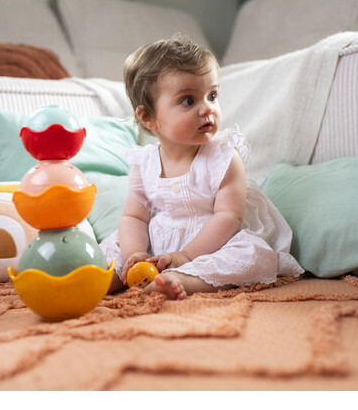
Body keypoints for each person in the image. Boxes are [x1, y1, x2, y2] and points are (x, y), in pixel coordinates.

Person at [100, 34, 303, 300]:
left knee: (252, 255)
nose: (207, 108)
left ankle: (185, 279)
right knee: (115, 243)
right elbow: (134, 217)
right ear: (148, 117)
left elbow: (228, 217)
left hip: (215, 240)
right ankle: (107, 278)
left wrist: (186, 256)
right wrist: (135, 253)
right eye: (188, 100)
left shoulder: (223, 156)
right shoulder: (144, 163)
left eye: (212, 95)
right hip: (160, 240)